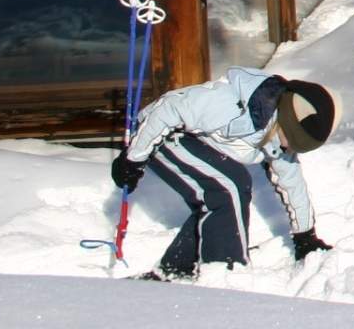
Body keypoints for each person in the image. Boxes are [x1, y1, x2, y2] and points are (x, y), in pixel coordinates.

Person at [109, 68, 336, 281]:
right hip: (161, 133)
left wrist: (305, 236)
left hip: (199, 143)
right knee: (229, 187)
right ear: (287, 124)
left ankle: (177, 269)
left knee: (225, 190)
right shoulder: (235, 104)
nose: (292, 151)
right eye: (294, 144)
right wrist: (134, 158)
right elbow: (169, 109)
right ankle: (224, 274)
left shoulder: (278, 138)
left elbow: (291, 183)